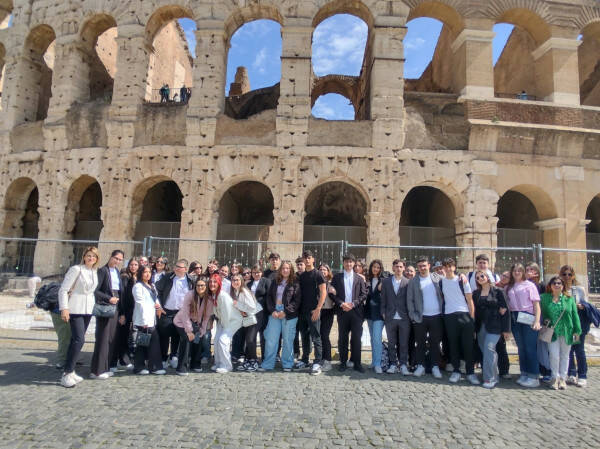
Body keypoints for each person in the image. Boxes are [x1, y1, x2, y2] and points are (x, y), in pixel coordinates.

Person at [59, 247, 100, 388]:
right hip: (75, 307)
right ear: (84, 257)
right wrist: (64, 308)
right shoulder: (76, 269)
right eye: (88, 255)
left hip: (87, 309)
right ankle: (66, 373)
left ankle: (71, 371)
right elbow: (63, 289)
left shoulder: (94, 271)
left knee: (76, 340)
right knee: (79, 340)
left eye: (94, 256)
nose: (91, 258)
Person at [440, 258, 479, 385]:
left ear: (454, 267)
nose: (448, 268)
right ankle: (456, 371)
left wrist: (472, 319)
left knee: (468, 345)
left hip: (464, 315)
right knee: (453, 345)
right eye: (445, 266)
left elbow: (470, 300)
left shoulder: (462, 280)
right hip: (449, 316)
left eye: (450, 266)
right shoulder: (441, 282)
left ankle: (470, 373)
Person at [540, 275, 582, 390]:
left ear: (563, 286)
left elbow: (574, 315)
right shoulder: (544, 298)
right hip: (552, 332)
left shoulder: (569, 299)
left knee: (565, 355)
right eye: (554, 283)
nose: (557, 285)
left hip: (567, 330)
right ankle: (555, 377)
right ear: (550, 286)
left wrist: (577, 330)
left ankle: (563, 378)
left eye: (559, 283)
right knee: (554, 355)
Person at [407, 256, 444, 378]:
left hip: (436, 316)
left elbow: (450, 281)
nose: (422, 268)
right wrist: (413, 316)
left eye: (424, 265)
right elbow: (410, 300)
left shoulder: (437, 278)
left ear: (429, 265)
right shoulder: (413, 281)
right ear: (417, 268)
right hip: (420, 317)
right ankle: (420, 366)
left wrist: (462, 276)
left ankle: (435, 366)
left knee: (435, 343)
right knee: (420, 343)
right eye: (420, 266)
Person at [472, 270, 511, 388]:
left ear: (488, 277)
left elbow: (505, 310)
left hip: (495, 325)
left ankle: (489, 378)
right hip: (480, 326)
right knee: (486, 352)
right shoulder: (476, 293)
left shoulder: (498, 291)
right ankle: (494, 375)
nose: (480, 278)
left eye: (482, 276)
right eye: (477, 277)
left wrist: (506, 330)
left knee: (489, 349)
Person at [260, 261, 301, 371]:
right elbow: (269, 297)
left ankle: (287, 363)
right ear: (280, 270)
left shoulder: (295, 282)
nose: (285, 270)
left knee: (288, 340)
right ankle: (268, 364)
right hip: (275, 313)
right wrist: (272, 310)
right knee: (271, 339)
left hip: (289, 315)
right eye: (283, 268)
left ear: (291, 269)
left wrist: (286, 312)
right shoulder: (275, 281)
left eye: (287, 268)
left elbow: (297, 300)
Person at [562, 265, 598, 388]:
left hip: (578, 323)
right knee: (568, 349)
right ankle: (571, 373)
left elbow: (586, 303)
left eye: (569, 274)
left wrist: (581, 305)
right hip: (566, 323)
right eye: (564, 274)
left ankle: (582, 375)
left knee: (579, 349)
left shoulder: (579, 289)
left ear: (573, 275)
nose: (567, 277)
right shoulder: (559, 288)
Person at [506, 263, 541, 388]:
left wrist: (537, 321)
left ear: (523, 272)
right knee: (521, 347)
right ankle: (524, 373)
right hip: (515, 317)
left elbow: (536, 305)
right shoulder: (510, 286)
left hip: (527, 316)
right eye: (514, 270)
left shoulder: (530, 285)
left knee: (530, 347)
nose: (517, 273)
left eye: (519, 270)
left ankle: (534, 376)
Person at [90, 250, 124, 379]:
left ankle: (105, 367)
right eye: (116, 258)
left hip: (115, 307)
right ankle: (97, 370)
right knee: (103, 338)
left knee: (110, 338)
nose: (117, 261)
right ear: (110, 257)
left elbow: (120, 292)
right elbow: (96, 290)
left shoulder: (116, 272)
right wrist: (108, 298)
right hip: (105, 307)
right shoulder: (103, 271)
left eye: (120, 260)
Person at [331, 254, 367, 373]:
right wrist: (342, 304)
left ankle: (357, 363)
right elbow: (332, 294)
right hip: (342, 311)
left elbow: (364, 294)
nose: (349, 264)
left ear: (354, 264)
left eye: (351, 262)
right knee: (343, 338)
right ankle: (343, 362)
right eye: (346, 262)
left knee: (356, 338)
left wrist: (353, 304)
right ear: (343, 263)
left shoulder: (359, 278)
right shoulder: (337, 278)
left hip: (356, 312)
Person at [156, 259, 193, 369]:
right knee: (164, 336)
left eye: (179, 267)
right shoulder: (167, 277)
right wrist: (159, 306)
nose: (176, 268)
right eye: (176, 266)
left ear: (185, 269)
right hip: (166, 311)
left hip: (181, 313)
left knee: (177, 335)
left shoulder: (191, 281)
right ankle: (163, 358)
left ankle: (174, 357)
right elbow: (156, 290)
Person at [173, 277, 213, 375]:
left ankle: (195, 364)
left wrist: (203, 329)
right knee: (187, 339)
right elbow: (185, 314)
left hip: (195, 323)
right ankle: (181, 367)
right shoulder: (190, 295)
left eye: (202, 285)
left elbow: (206, 316)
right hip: (181, 322)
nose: (200, 287)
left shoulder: (209, 299)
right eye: (198, 285)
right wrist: (189, 331)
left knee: (198, 338)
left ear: (206, 286)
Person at [297, 250, 327, 375]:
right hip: (302, 310)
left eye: (309, 258)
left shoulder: (318, 274)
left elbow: (323, 292)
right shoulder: (302, 275)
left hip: (314, 310)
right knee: (304, 336)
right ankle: (305, 359)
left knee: (316, 336)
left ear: (313, 259)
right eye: (305, 258)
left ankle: (318, 362)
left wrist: (318, 309)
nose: (307, 260)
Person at [380, 259, 411, 375]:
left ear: (404, 268)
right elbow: (383, 298)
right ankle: (393, 364)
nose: (398, 269)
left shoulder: (408, 282)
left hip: (404, 317)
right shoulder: (386, 282)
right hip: (390, 316)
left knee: (403, 343)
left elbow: (410, 300)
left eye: (400, 267)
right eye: (396, 266)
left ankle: (403, 364)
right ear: (393, 268)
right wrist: (383, 312)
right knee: (391, 342)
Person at [131, 265, 164, 375]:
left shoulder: (152, 286)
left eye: (149, 272)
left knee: (144, 343)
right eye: (145, 272)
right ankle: (150, 367)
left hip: (152, 318)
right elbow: (140, 303)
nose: (147, 274)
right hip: (143, 319)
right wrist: (145, 321)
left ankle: (143, 366)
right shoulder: (138, 286)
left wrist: (159, 307)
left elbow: (155, 299)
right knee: (148, 342)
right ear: (141, 273)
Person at [210, 274, 243, 373]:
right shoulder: (214, 294)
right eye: (211, 282)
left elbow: (227, 313)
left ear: (219, 283)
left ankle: (227, 365)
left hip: (232, 321)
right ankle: (219, 363)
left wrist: (224, 328)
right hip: (222, 320)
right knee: (216, 340)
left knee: (223, 340)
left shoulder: (223, 295)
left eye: (215, 282)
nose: (212, 284)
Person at [110, 257, 138, 371]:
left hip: (132, 310)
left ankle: (123, 359)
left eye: (136, 265)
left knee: (126, 336)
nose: (133, 267)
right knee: (120, 336)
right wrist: (122, 313)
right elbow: (123, 296)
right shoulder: (125, 277)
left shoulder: (136, 277)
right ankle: (113, 361)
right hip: (125, 310)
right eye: (131, 264)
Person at [526, 262, 550, 381]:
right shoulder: (524, 284)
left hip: (540, 318)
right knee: (531, 345)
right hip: (527, 318)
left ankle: (546, 370)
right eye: (527, 269)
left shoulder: (542, 285)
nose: (529, 271)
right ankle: (533, 369)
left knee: (543, 345)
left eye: (532, 269)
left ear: (537, 272)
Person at [231, 274, 260, 371]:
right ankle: (249, 360)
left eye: (237, 280)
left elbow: (252, 307)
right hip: (248, 318)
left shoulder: (244, 291)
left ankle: (254, 361)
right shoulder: (237, 291)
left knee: (250, 340)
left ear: (241, 281)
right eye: (234, 280)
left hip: (255, 317)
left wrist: (237, 305)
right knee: (248, 339)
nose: (235, 282)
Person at [365, 259, 386, 374]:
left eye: (378, 267)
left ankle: (378, 363)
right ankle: (374, 361)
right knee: (373, 338)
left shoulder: (383, 280)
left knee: (377, 338)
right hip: (369, 313)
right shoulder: (368, 279)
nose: (376, 269)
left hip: (379, 313)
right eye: (374, 267)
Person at [247, 264, 271, 361]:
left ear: (262, 272)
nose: (256, 274)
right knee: (250, 337)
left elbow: (270, 296)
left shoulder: (266, 282)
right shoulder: (248, 284)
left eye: (258, 272)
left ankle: (265, 358)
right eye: (254, 272)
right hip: (251, 314)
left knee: (264, 336)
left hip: (263, 312)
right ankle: (253, 358)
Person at [318, 264, 335, 372]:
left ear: (328, 272)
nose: (323, 271)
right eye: (320, 269)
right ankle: (319, 359)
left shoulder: (332, 284)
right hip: (317, 311)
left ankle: (327, 360)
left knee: (324, 335)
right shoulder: (315, 282)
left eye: (325, 270)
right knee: (317, 336)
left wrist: (335, 291)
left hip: (328, 311)